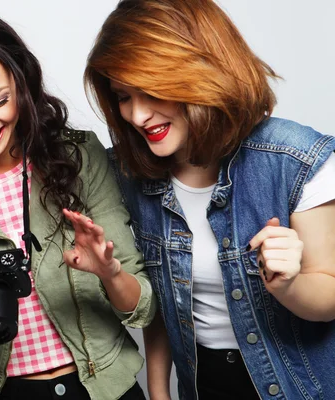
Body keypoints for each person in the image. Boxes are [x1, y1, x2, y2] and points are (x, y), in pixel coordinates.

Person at [0, 7, 157, 400]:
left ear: (21, 82)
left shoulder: (80, 157)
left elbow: (142, 307)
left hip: (103, 388)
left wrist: (108, 271)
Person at [84, 0, 335, 399]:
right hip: (202, 384)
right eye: (123, 96)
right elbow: (161, 299)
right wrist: (160, 391)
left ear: (201, 72)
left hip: (298, 384)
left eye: (150, 91)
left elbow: (329, 297)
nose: (136, 115)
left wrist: (287, 285)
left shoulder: (295, 158)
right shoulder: (133, 172)